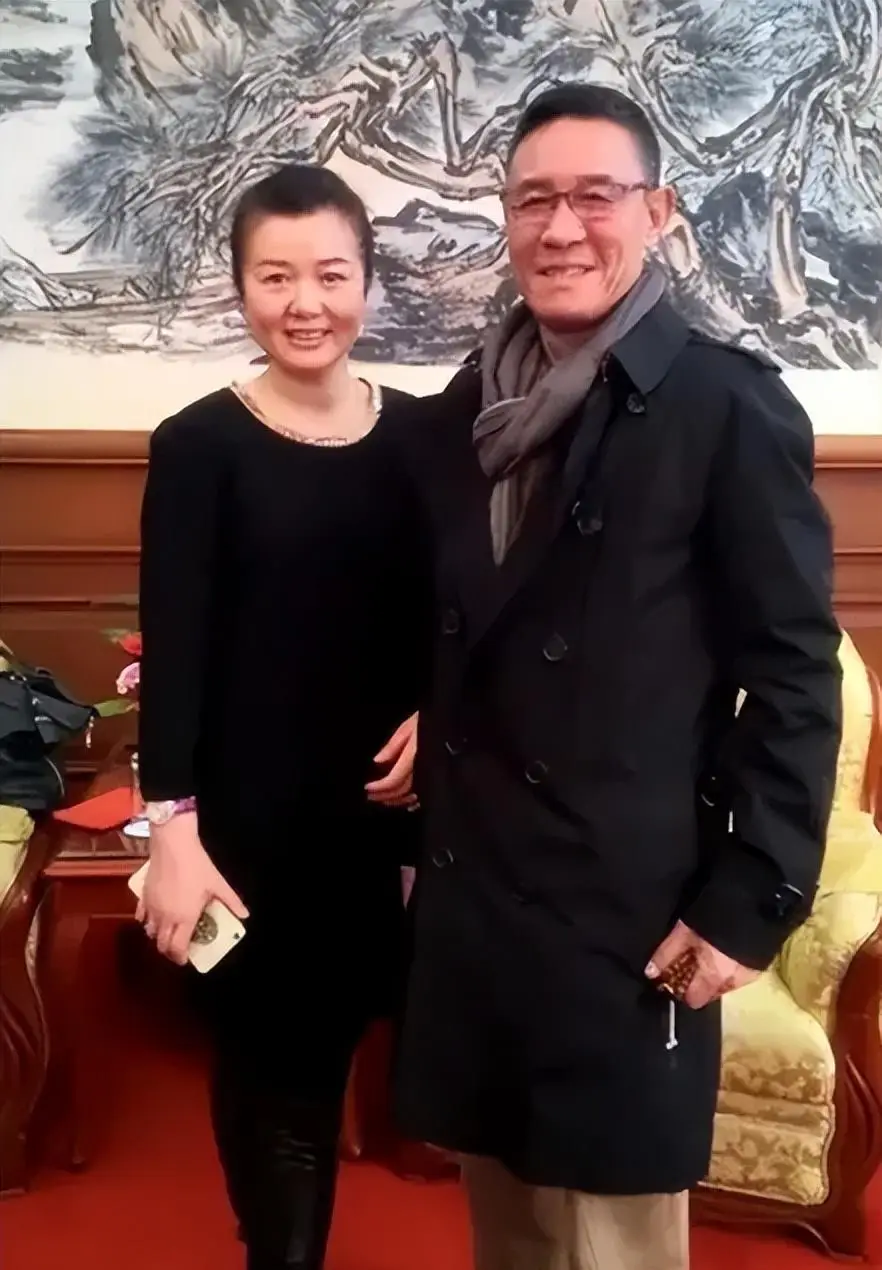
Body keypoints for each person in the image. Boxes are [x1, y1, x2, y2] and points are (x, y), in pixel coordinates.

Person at [391, 84, 843, 1270]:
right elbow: (453, 628)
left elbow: (794, 674)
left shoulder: (724, 404)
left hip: (626, 907)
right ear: (505, 218)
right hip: (481, 895)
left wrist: (748, 902)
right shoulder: (466, 409)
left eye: (596, 196)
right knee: (510, 1232)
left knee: (613, 1237)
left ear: (659, 210)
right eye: (533, 199)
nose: (561, 228)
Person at [136, 164, 427, 1270]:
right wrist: (170, 834)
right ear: (240, 288)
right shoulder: (198, 445)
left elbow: (459, 615)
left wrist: (440, 711)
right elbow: (175, 652)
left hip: (376, 825)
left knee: (323, 1057)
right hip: (243, 830)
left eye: (332, 274)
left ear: (369, 282)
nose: (306, 303)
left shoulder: (423, 438)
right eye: (276, 276)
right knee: (269, 1070)